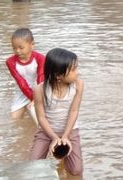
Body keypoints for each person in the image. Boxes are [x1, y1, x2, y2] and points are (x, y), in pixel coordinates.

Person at [29, 48, 84, 177]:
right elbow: (41, 118)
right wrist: (54, 137)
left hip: (70, 130)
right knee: (33, 167)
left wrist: (65, 136)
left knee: (76, 171)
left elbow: (74, 111)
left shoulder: (79, 85)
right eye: (73, 70)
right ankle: (54, 150)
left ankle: (64, 157)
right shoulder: (39, 90)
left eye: (77, 68)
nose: (77, 72)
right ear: (58, 75)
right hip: (46, 131)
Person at [6, 28, 45, 123]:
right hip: (22, 91)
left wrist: (37, 98)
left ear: (32, 45)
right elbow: (21, 82)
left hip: (41, 89)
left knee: (41, 118)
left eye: (21, 47)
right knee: (14, 119)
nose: (17, 51)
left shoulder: (41, 58)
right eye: (14, 48)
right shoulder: (10, 62)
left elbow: (41, 78)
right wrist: (33, 98)